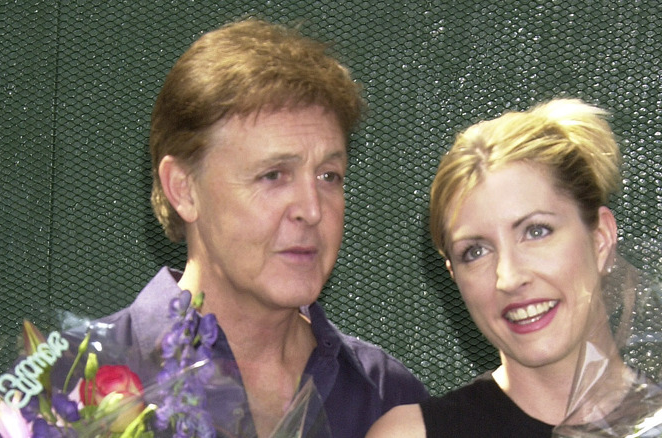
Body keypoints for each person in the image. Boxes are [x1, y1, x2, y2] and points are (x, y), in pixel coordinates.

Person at [63, 17, 428, 438]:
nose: (312, 210)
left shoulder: (388, 402)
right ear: (183, 189)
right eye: (274, 175)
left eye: (329, 176)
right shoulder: (69, 389)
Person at [366, 98, 629, 437]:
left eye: (536, 232)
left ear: (601, 239)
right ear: (453, 275)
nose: (509, 277)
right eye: (475, 252)